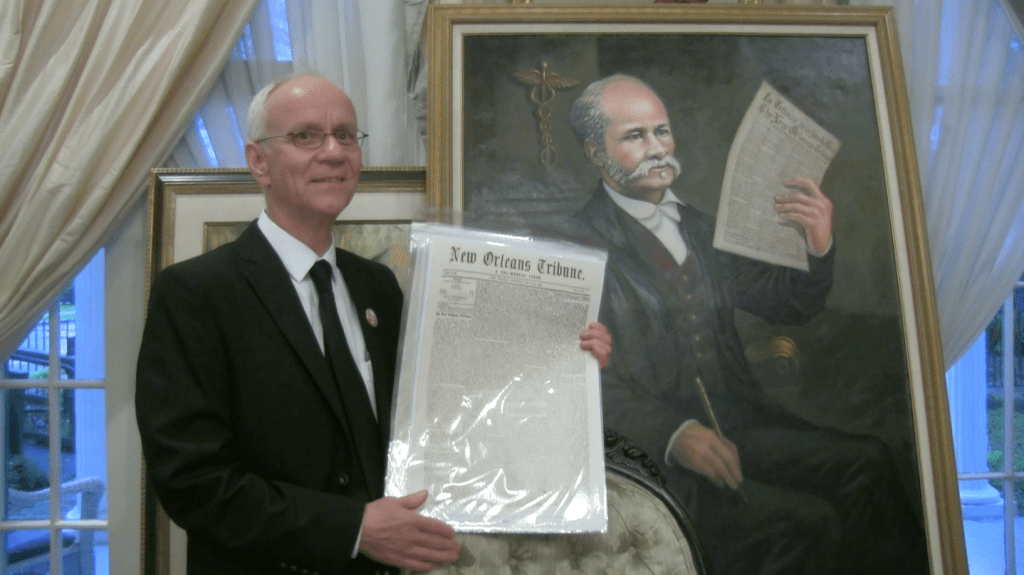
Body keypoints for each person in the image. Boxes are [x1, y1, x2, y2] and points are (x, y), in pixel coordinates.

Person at [135, 73, 612, 575]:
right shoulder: (196, 293)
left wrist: (564, 362)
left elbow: (449, 411)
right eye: (305, 136)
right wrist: (353, 529)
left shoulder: (378, 287)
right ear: (259, 162)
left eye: (345, 135)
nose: (333, 152)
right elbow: (192, 483)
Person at [564, 74, 929, 575]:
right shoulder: (575, 243)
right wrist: (674, 432)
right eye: (635, 136)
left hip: (742, 423)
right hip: (655, 455)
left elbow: (788, 306)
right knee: (803, 525)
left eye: (662, 131)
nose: (657, 148)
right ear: (593, 150)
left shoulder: (699, 227)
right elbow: (573, 379)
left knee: (869, 463)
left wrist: (817, 244)